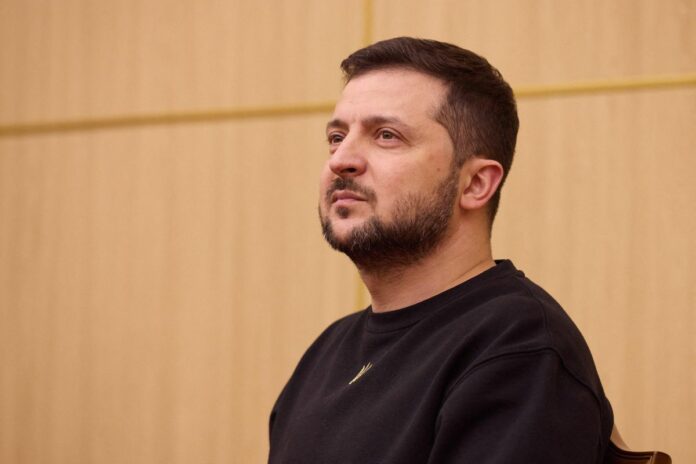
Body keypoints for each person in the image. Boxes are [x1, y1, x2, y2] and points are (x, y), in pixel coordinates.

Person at [268, 37, 613, 463]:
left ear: (475, 184)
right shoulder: (326, 353)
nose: (341, 160)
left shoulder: (517, 346)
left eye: (386, 136)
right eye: (337, 137)